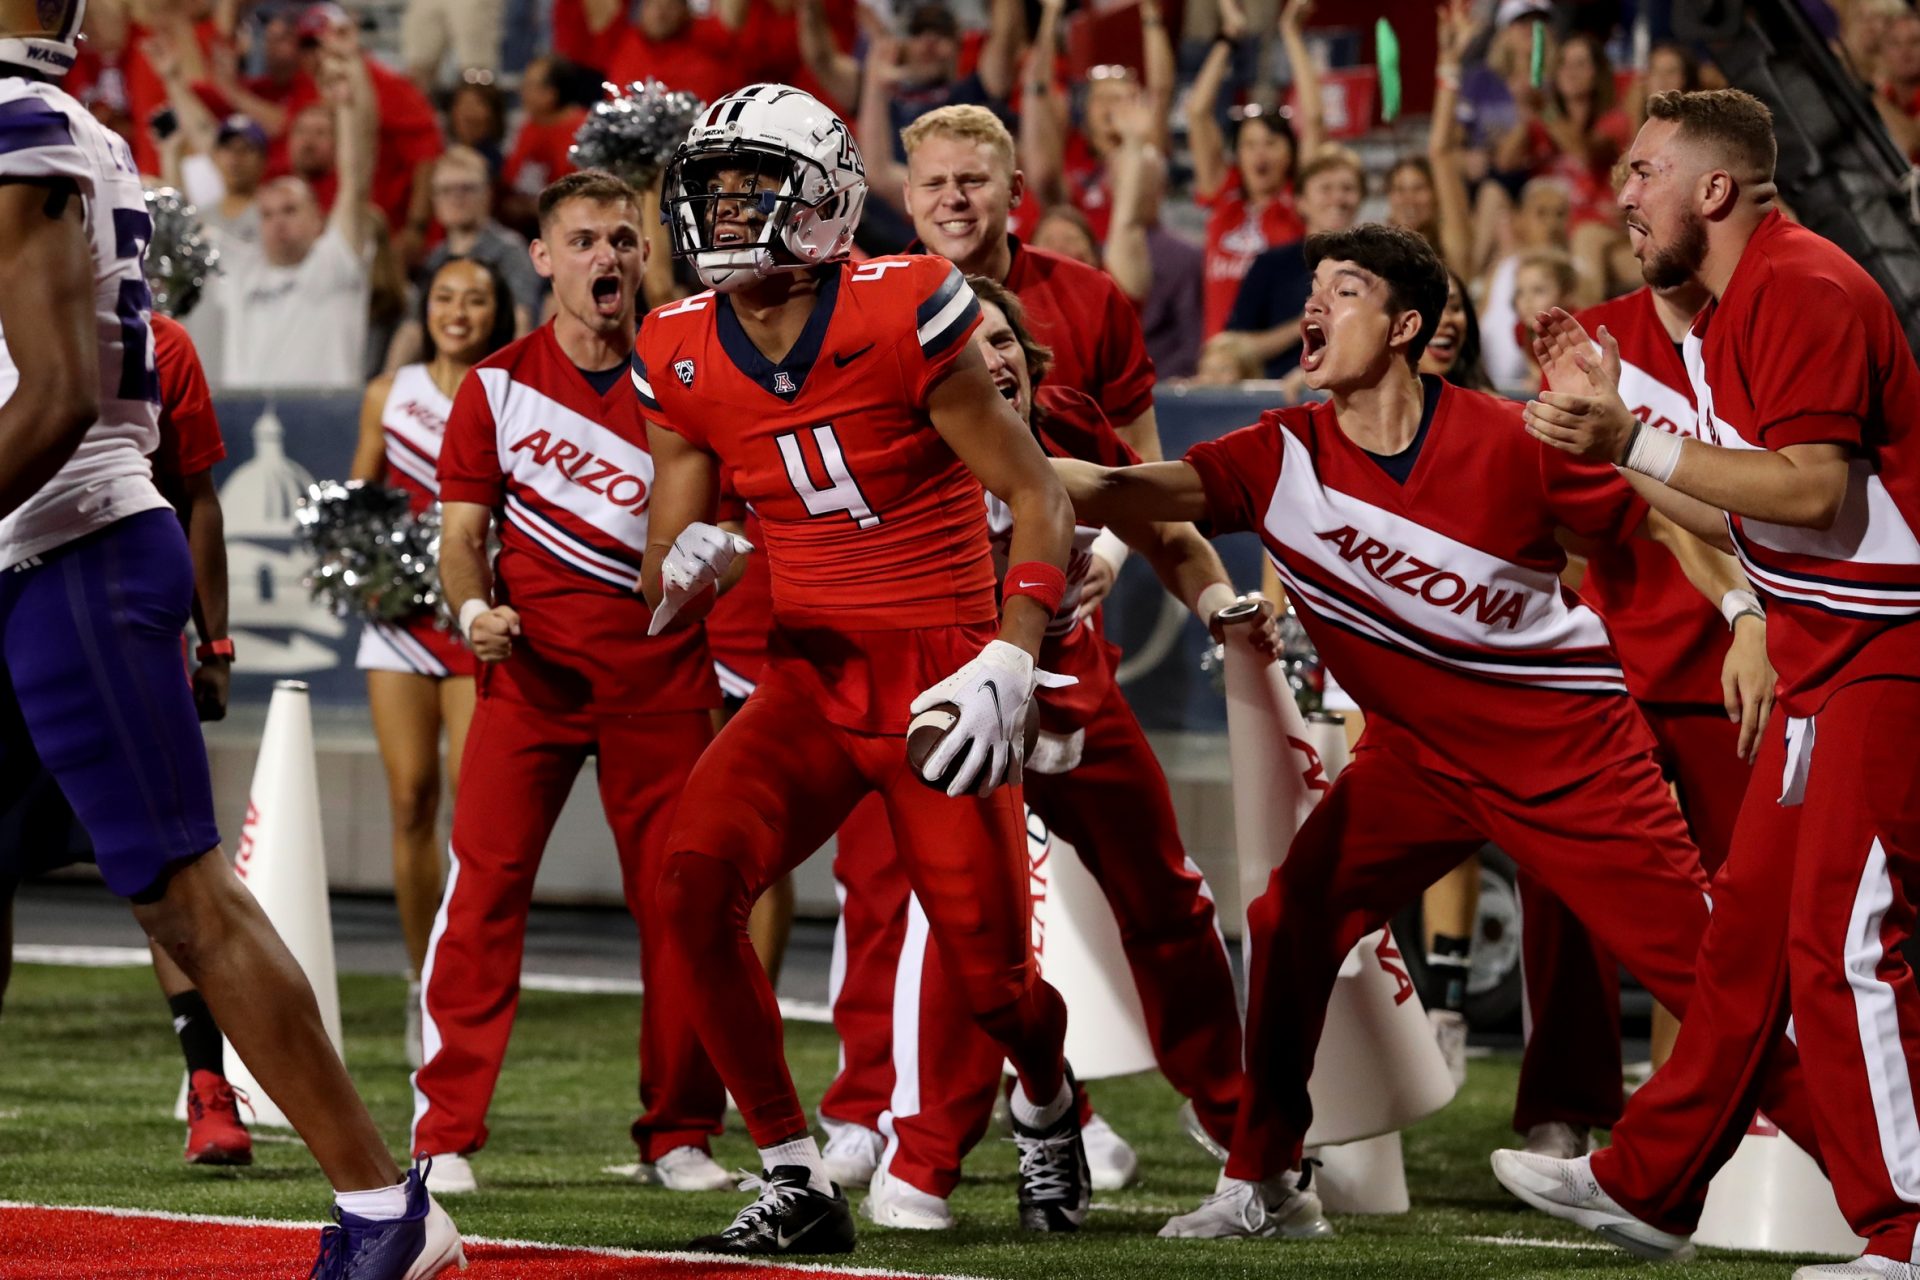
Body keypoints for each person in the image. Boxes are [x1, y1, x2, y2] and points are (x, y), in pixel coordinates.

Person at [1049, 222, 1811, 1243]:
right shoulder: (1274, 452)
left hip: (1567, 758)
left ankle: (1894, 1182)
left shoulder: (1512, 437)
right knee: (1291, 917)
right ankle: (1265, 1175)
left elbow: (1671, 521)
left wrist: (1745, 612)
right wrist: (969, 441)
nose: (1314, 304)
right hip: (1414, 756)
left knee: (1715, 985)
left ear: (1407, 326)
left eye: (1345, 288)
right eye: (1312, 288)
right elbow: (1120, 489)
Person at [0, 5, 459, 1274]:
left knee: (185, 901)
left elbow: (51, 394)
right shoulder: (66, 122)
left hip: (69, 550)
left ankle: (385, 1203)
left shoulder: (25, 124)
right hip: (38, 546)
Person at [634, 83, 1087, 1254]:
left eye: (754, 186)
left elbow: (1035, 492)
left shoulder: (903, 305)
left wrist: (1012, 654)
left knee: (995, 983)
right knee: (689, 884)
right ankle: (795, 1173)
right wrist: (686, 562)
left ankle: (1045, 1092)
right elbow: (661, 573)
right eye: (713, 186)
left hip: (941, 673)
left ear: (828, 202)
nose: (725, 210)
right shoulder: (678, 345)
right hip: (809, 678)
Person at [1490, 89, 1920, 1278]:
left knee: (1845, 939)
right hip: (1831, 651)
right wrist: (1616, 438)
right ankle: (1650, 1181)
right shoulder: (1740, 302)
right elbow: (1729, 501)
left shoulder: (1803, 285)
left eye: (1641, 173)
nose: (1619, 195)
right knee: (1745, 939)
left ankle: (1912, 1228)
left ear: (1715, 188)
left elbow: (1809, 493)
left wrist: (1628, 440)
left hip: (1892, 656)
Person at [823, 276, 1254, 1230]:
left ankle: (1241, 1130)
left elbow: (1171, 535)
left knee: (1171, 903)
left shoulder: (1066, 416)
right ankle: (935, 1150)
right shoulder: (894, 438)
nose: (994, 356)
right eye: (971, 344)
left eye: (1005, 338)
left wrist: (1221, 608)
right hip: (952, 708)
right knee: (967, 933)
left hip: (1078, 701)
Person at [417, 170, 729, 1197]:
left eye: (625, 240)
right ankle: (444, 1130)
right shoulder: (495, 385)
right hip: (531, 684)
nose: (608, 257)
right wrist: (474, 614)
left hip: (666, 682)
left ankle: (680, 1131)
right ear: (542, 258)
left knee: (681, 905)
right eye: (586, 240)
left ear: (648, 257)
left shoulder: (693, 374)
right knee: (483, 894)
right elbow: (461, 535)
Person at [349, 256, 515, 1071]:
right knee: (410, 799)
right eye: (446, 296)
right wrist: (366, 564)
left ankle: (458, 983)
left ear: (498, 310)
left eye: (477, 297)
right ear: (427, 308)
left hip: (476, 617)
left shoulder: (512, 387)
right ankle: (420, 980)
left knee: (468, 808)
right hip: (400, 621)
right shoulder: (391, 391)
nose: (459, 310)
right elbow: (357, 498)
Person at [900, 104, 1161, 459]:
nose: (953, 199)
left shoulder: (1091, 298)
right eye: (933, 183)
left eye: (973, 181)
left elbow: (1138, 461)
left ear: (1015, 189)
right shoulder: (872, 309)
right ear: (908, 197)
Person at [206, 23, 373, 392]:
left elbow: (356, 176)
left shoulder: (336, 261)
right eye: (267, 215)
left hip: (329, 424)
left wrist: (346, 104)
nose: (277, 222)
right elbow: (196, 174)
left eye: (290, 211)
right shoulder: (239, 269)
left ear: (319, 221)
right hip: (246, 429)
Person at [1188, 0, 1321, 341]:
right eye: (1250, 144)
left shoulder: (1299, 202)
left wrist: (1290, 35)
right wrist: (1228, 38)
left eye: (1271, 143)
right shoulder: (1223, 196)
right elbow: (1197, 112)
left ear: (1290, 155)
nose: (1260, 154)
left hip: (1279, 356)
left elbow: (1314, 118)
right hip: (1221, 359)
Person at [1217, 145, 1366, 381]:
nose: (1338, 198)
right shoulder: (1271, 265)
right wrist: (1305, 324)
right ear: (1301, 202)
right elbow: (1234, 348)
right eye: (1325, 189)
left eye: (1347, 188)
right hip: (1277, 397)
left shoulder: (1375, 267)